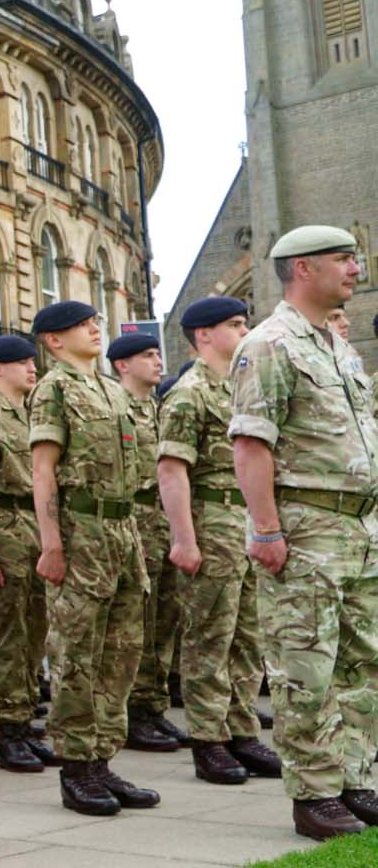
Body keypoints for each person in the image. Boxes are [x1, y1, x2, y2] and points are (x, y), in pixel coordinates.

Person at [229, 226, 378, 841]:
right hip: (304, 526)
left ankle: (356, 776)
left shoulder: (338, 348)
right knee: (305, 668)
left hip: (357, 526)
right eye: (343, 258)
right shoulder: (269, 345)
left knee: (362, 660)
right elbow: (250, 444)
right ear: (303, 269)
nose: (355, 266)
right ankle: (314, 794)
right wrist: (266, 529)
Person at [29, 300, 158, 817]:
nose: (95, 328)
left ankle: (103, 756)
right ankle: (76, 766)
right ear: (54, 340)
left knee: (122, 651)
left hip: (122, 530)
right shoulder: (53, 389)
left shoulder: (110, 389)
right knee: (77, 651)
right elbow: (43, 471)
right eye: (84, 325)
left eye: (94, 322)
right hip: (81, 530)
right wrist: (52, 542)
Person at [158, 295, 282, 788]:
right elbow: (172, 470)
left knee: (248, 635)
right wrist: (184, 540)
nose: (243, 329)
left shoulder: (241, 388)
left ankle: (242, 727)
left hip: (246, 522)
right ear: (203, 335)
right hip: (211, 522)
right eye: (234, 324)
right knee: (209, 635)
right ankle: (209, 739)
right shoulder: (189, 393)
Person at [0, 335, 57, 773]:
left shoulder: (30, 414)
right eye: (20, 362)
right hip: (5, 527)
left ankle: (24, 719)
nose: (31, 368)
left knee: (33, 633)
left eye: (31, 361)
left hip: (34, 530)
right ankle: (7, 730)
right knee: (8, 636)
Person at [109, 333, 183, 753]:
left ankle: (154, 705)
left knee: (164, 618)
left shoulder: (157, 410)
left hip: (161, 520)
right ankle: (134, 710)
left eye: (158, 353)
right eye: (147, 355)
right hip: (133, 519)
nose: (158, 361)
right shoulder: (115, 408)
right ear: (123, 365)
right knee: (136, 620)